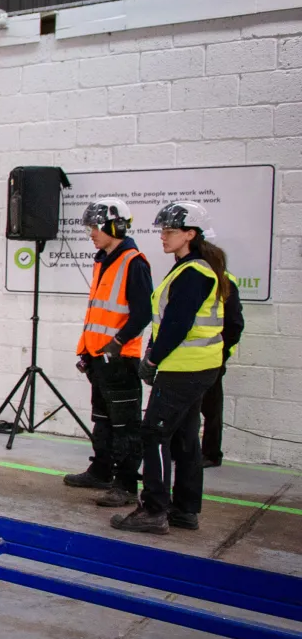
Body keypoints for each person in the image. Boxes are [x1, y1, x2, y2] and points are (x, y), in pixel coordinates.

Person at [112, 202, 229, 535]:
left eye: (170, 231)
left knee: (155, 433)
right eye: (162, 230)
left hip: (183, 369)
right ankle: (185, 510)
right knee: (185, 438)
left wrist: (152, 359)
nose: (162, 236)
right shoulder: (194, 268)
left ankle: (153, 509)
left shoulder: (194, 272)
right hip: (197, 368)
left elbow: (178, 324)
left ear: (190, 234)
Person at [62, 200, 153, 508]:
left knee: (125, 425)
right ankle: (101, 470)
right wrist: (88, 352)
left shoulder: (133, 262)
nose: (91, 234)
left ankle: (126, 486)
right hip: (99, 358)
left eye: (95, 228)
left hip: (120, 359)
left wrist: (117, 343)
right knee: (101, 418)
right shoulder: (103, 260)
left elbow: (143, 314)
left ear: (116, 227)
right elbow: (98, 315)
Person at [201, 275, 243, 468]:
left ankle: (211, 454)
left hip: (213, 357)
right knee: (187, 409)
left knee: (211, 407)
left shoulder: (224, 283)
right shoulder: (190, 276)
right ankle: (184, 451)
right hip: (189, 357)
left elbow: (234, 324)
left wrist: (221, 353)